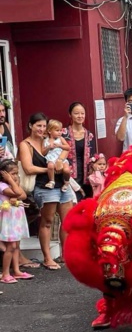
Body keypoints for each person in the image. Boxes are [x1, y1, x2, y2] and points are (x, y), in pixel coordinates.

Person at [19, 113, 74, 270]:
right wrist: (50, 169)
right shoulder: (26, 144)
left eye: (44, 126)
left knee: (68, 221)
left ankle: (66, 255)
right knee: (47, 221)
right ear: (31, 126)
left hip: (62, 184)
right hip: (44, 185)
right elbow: (28, 168)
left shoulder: (50, 140)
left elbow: (65, 150)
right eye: (38, 126)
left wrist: (60, 163)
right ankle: (48, 258)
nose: (41, 129)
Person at [0, 159, 34, 284]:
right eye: (13, 173)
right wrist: (11, 181)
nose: (16, 176)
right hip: (8, 219)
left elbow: (23, 196)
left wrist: (14, 185)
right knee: (11, 246)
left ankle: (17, 270)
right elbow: (18, 192)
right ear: (4, 174)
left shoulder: (11, 185)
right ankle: (5, 273)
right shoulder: (2, 185)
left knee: (17, 246)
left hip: (16, 217)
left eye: (16, 173)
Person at [62, 102, 96, 201]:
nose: (80, 116)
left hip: (86, 176)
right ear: (70, 115)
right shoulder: (64, 133)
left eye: (82, 113)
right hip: (69, 176)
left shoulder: (89, 135)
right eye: (76, 113)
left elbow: (93, 156)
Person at [43, 119, 71, 193]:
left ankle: (67, 182)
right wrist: (48, 147)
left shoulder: (60, 139)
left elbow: (68, 148)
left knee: (67, 170)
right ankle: (52, 181)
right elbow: (43, 152)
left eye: (60, 130)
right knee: (50, 166)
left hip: (61, 158)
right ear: (49, 131)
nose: (59, 132)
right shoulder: (45, 140)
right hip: (51, 158)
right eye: (57, 130)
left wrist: (59, 145)